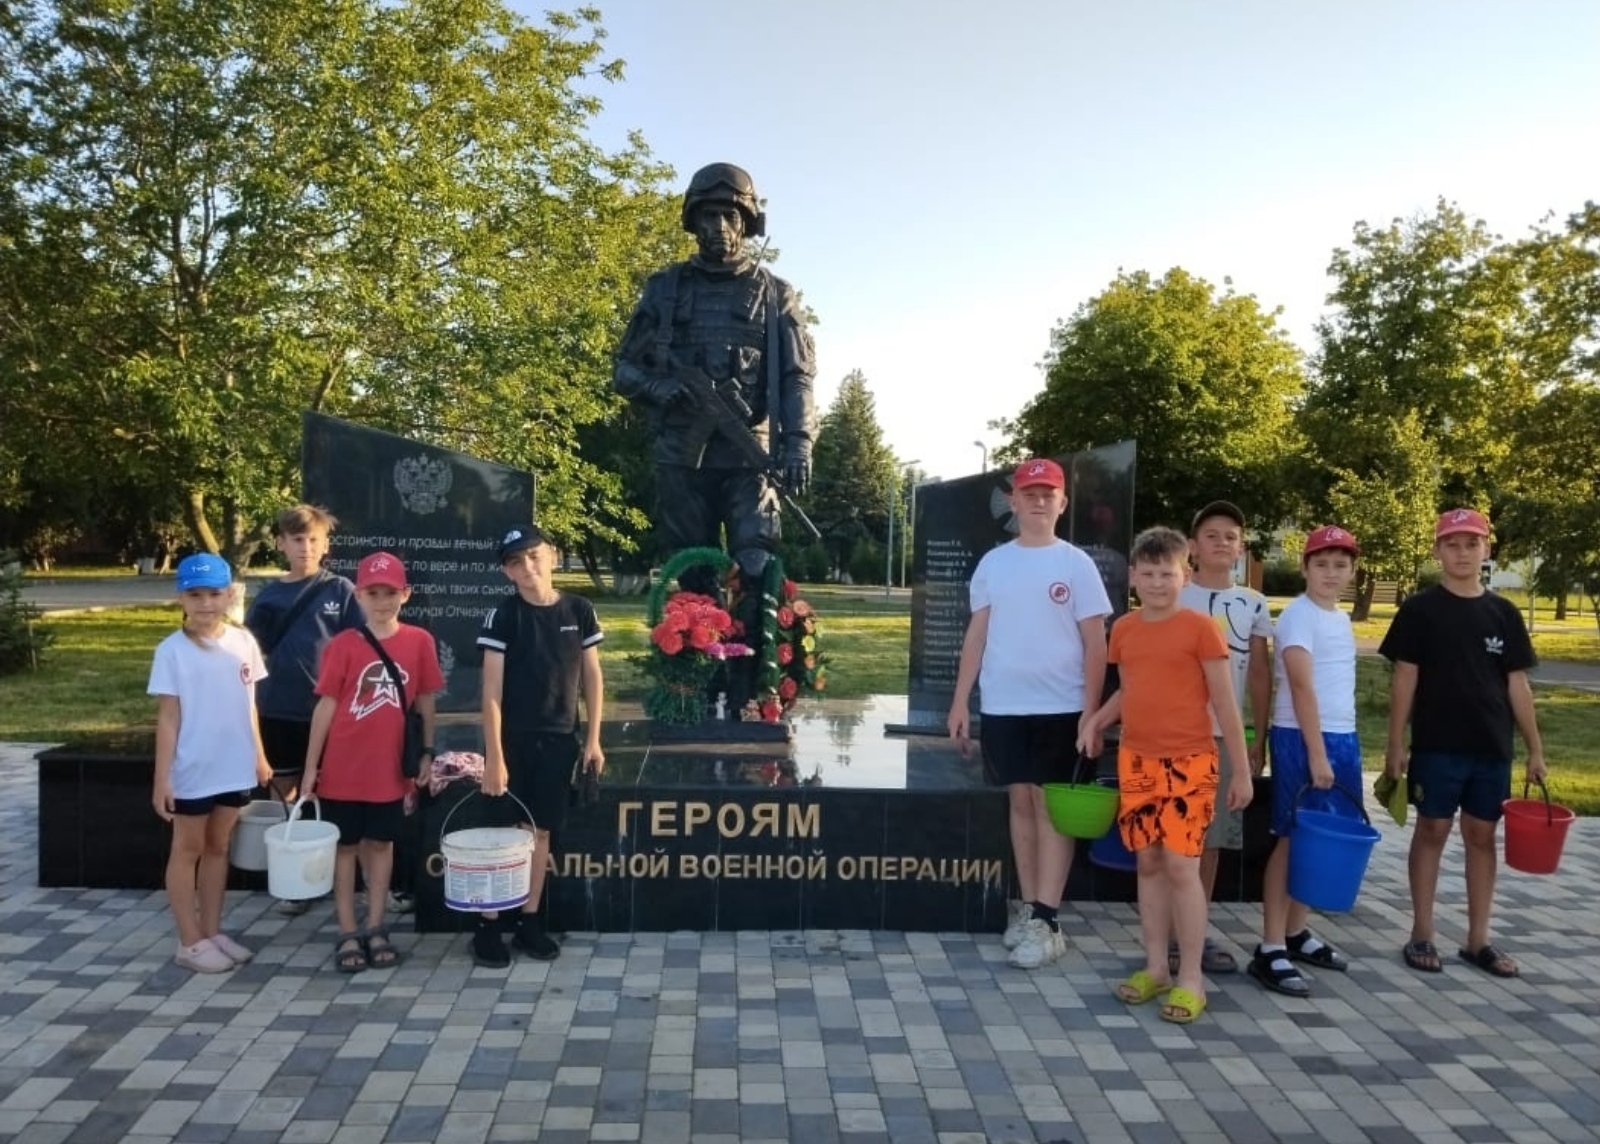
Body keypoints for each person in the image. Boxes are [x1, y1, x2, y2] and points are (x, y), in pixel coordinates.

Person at [613, 162, 815, 715]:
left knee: (756, 564)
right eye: (708, 216)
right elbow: (623, 369)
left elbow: (798, 376)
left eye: (729, 215)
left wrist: (798, 443)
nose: (718, 227)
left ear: (746, 222)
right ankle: (694, 687)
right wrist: (659, 387)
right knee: (690, 571)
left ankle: (754, 685)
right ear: (692, 221)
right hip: (682, 454)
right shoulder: (665, 290)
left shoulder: (774, 295)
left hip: (751, 456)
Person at [1078, 526, 1252, 1024]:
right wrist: (1096, 721)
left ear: (1185, 576)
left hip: (1189, 763)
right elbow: (1130, 688)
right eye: (1149, 574)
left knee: (1181, 867)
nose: (1157, 583)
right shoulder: (1125, 630)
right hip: (1137, 761)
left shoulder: (1201, 629)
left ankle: (1191, 978)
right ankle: (1155, 966)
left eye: (1167, 574)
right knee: (1149, 863)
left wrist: (1241, 771)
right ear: (1133, 577)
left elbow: (1225, 703)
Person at [948, 458, 1111, 970]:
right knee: (1020, 802)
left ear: (1062, 503)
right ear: (1013, 502)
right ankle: (1029, 907)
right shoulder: (994, 564)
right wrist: (961, 699)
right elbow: (977, 634)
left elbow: (1096, 643)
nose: (1039, 501)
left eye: (1048, 494)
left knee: (1050, 808)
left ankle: (1048, 918)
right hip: (1004, 704)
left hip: (1062, 706)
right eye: (1030, 493)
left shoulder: (1076, 564)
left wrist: (1091, 713)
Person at [1380, 508, 1546, 978]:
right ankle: (1422, 932)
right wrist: (1395, 743)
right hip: (1437, 745)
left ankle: (1478, 940)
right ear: (1437, 551)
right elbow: (1405, 679)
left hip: (1491, 747)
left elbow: (1517, 684)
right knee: (1432, 829)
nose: (1462, 553)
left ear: (1486, 549)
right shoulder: (1419, 610)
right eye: (1451, 544)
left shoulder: (1504, 613)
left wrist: (1534, 749)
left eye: (1471, 543)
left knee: (1481, 835)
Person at [302, 552, 442, 974]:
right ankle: (348, 929)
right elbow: (326, 706)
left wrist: (427, 751)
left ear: (406, 594)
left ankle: (376, 924)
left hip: (389, 767)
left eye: (390, 592)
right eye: (373, 593)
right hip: (343, 766)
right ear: (359, 596)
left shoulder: (419, 641)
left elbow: (425, 701)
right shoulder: (343, 645)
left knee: (381, 844)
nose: (382, 601)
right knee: (345, 848)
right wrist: (311, 767)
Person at [472, 525, 605, 968]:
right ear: (507, 573)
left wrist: (593, 740)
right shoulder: (503, 615)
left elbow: (592, 678)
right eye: (516, 562)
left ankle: (529, 919)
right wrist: (495, 757)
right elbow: (491, 692)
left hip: (560, 739)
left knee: (541, 831)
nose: (527, 567)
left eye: (534, 556)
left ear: (552, 555)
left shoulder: (579, 610)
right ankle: (489, 924)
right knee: (501, 834)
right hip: (512, 741)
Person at [1248, 525, 1362, 997]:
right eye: (1321, 564)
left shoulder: (1340, 618)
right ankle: (1271, 945)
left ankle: (1296, 931)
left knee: (1318, 838)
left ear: (1353, 570)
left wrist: (1336, 746)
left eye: (1340, 565)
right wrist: (1316, 752)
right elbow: (1300, 685)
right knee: (1291, 836)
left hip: (1341, 735)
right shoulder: (1298, 615)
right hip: (1301, 737)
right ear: (1305, 567)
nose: (1330, 573)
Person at [148, 554, 273, 973]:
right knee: (188, 849)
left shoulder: (243, 643)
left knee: (219, 846)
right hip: (192, 769)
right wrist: (162, 778)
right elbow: (168, 718)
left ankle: (212, 930)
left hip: (233, 765)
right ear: (180, 598)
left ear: (230, 595)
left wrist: (258, 756)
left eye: (214, 594)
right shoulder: (172, 652)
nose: (205, 603)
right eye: (195, 595)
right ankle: (189, 941)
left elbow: (249, 705)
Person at [243, 504, 363, 916]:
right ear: (281, 544)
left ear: (326, 545)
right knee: (286, 792)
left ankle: (334, 872)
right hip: (278, 708)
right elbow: (251, 653)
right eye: (297, 539)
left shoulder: (340, 591)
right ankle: (293, 877)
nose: (306, 547)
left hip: (328, 712)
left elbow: (358, 648)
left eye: (314, 539)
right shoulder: (269, 596)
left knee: (332, 791)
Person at [1177, 500, 1272, 975]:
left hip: (1223, 737)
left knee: (1210, 839)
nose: (1221, 543)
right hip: (1176, 734)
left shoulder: (1252, 603)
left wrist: (1258, 736)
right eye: (1211, 535)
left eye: (1230, 537)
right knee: (1172, 840)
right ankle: (1168, 932)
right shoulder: (1174, 595)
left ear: (1241, 548)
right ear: (1192, 547)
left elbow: (1259, 673)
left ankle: (1196, 930)